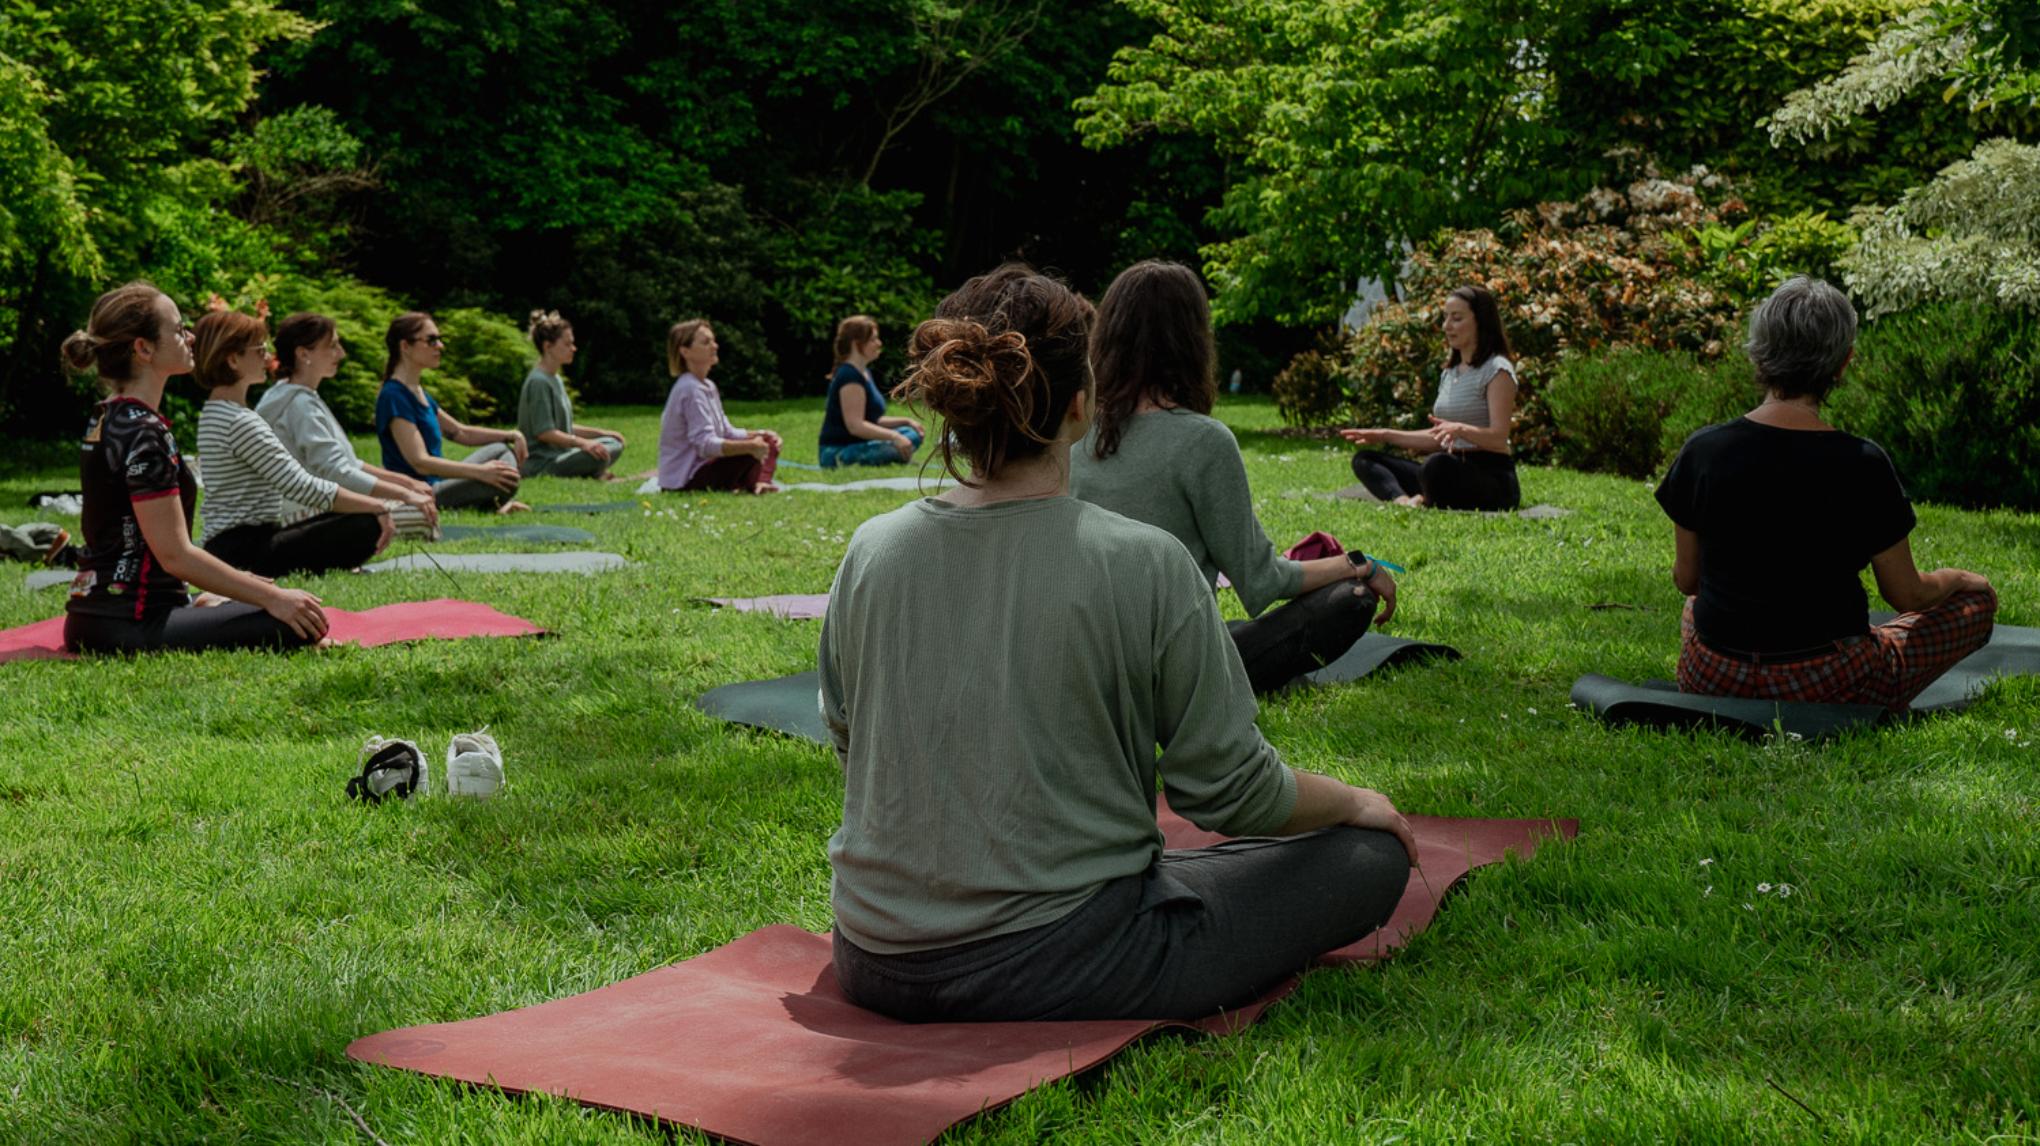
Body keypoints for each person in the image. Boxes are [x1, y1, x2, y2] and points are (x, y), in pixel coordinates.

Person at [822, 263, 1415, 1023]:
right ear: (1079, 405)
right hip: (1067, 959)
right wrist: (1356, 800)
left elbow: (848, 737)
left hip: (873, 958)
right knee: (1368, 855)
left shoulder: (869, 550)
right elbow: (1231, 792)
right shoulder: (1146, 562)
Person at [1656, 277, 1997, 709]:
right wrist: (1962, 579)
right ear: (1843, 363)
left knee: (1694, 606)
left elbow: (1687, 580)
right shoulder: (1863, 462)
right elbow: (1908, 595)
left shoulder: (1701, 450)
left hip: (1714, 677)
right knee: (1977, 604)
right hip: (1830, 683)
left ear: (1758, 352)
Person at [1072, 260, 1398, 693]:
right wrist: (1358, 565)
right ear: (1193, 340)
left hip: (1079, 656)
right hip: (1163, 674)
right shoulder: (1202, 440)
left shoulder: (1073, 429)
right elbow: (1263, 580)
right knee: (1350, 601)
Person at [57, 283, 327, 654]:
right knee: (296, 620)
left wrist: (235, 586)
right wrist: (272, 597)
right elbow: (175, 554)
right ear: (144, 348)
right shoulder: (145, 433)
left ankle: (201, 605)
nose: (191, 335)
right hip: (131, 623)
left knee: (264, 601)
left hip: (96, 616)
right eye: (178, 328)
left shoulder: (107, 416)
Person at [192, 311, 402, 577]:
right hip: (243, 551)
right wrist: (378, 505)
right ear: (233, 360)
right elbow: (301, 486)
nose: (268, 358)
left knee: (351, 516)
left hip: (228, 545)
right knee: (366, 523)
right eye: (259, 350)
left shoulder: (214, 412)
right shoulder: (240, 421)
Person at [256, 312, 439, 536]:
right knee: (418, 514)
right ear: (304, 354)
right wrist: (405, 494)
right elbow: (337, 472)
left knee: (415, 505)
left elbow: (349, 463)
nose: (340, 353)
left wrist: (406, 484)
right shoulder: (299, 405)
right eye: (332, 346)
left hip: (320, 505)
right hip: (302, 514)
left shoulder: (297, 395)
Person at [1340, 285, 1521, 510]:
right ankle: (1405, 501)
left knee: (1435, 466)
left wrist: (1460, 429)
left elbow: (1498, 437)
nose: (1447, 326)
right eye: (1446, 318)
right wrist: (1384, 435)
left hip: (1492, 479)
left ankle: (1426, 498)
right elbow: (1438, 438)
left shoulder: (1497, 369)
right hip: (1449, 468)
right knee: (1365, 460)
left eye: (1456, 318)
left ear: (1480, 321)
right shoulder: (1450, 372)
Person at [375, 312, 528, 512]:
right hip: (422, 491)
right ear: (405, 346)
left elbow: (459, 432)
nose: (440, 346)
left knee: (501, 450)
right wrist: (480, 472)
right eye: (431, 340)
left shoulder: (417, 391)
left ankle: (486, 501)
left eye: (439, 339)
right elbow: (420, 462)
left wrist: (511, 435)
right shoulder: (393, 396)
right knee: (507, 479)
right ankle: (490, 504)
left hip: (439, 482)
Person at [657, 319, 781, 493]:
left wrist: (761, 434)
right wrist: (750, 446)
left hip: (704, 468)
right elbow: (705, 445)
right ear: (685, 351)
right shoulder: (689, 389)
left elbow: (727, 432)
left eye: (713, 341)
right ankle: (751, 483)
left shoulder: (707, 386)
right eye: (706, 342)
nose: (715, 346)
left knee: (767, 443)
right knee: (749, 452)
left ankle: (759, 483)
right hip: (686, 480)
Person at [518, 310, 627, 478]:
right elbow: (545, 433)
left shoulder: (556, 379)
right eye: (567, 344)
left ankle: (590, 469)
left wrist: (603, 434)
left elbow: (565, 428)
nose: (574, 349)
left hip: (564, 453)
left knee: (613, 443)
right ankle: (593, 471)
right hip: (543, 462)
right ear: (548, 346)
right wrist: (584, 444)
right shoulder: (538, 382)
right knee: (597, 454)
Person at [818, 314, 923, 467]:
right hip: (837, 452)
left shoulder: (863, 372)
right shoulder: (849, 376)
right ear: (857, 343)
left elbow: (871, 421)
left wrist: (906, 421)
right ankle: (894, 455)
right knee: (900, 440)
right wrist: (894, 436)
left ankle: (895, 454)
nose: (879, 343)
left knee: (910, 434)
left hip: (861, 444)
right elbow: (855, 426)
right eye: (873, 339)